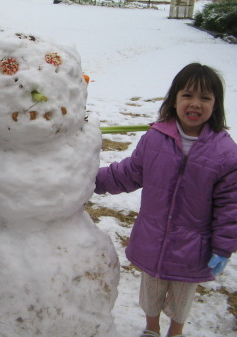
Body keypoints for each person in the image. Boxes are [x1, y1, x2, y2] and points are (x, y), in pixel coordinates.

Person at [95, 63, 237, 337]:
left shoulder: (225, 153)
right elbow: (129, 172)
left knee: (181, 299)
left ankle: (175, 332)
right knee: (151, 292)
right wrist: (91, 180)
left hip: (194, 245)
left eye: (205, 98)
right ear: (174, 99)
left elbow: (230, 206)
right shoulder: (155, 139)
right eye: (187, 95)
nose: (195, 104)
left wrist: (223, 247)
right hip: (153, 237)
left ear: (216, 104)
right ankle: (151, 329)